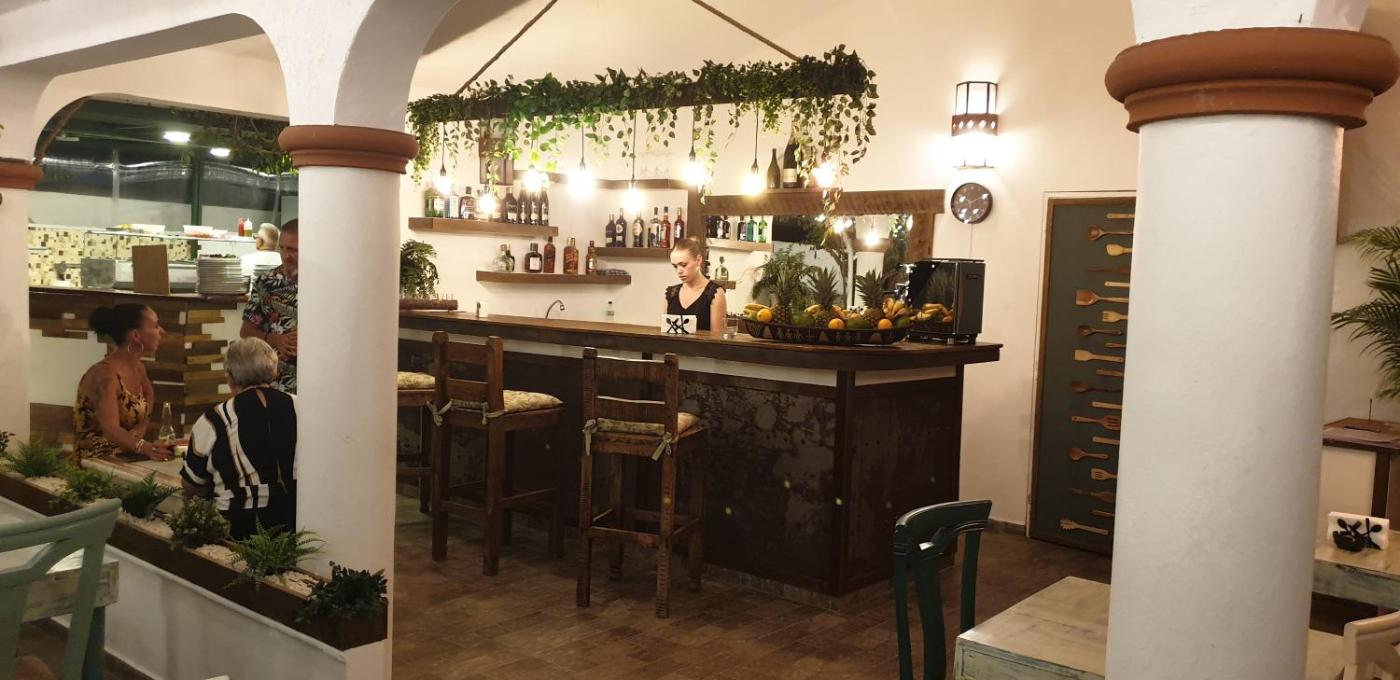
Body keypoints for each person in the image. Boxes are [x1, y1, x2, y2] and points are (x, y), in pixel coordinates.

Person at [181, 338, 297, 539]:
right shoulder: (300, 407)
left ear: (230, 378)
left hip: (238, 528)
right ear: (274, 371)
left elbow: (191, 484)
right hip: (297, 523)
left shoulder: (214, 419)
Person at [73, 304, 175, 462]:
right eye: (155, 326)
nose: (162, 331)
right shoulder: (104, 374)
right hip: (94, 464)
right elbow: (110, 428)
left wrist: (143, 441)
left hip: (125, 458)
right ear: (136, 335)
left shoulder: (139, 368)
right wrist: (145, 447)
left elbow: (147, 408)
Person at [241, 218, 298, 392]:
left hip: (319, 379)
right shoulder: (266, 282)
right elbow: (246, 331)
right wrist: (276, 340)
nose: (286, 255)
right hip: (276, 382)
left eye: (293, 250)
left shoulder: (323, 284)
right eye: (282, 248)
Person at [665, 237, 728, 334]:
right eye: (675, 266)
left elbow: (717, 339)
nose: (679, 271)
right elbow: (665, 335)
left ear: (698, 260)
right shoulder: (670, 294)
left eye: (684, 265)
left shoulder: (715, 294)